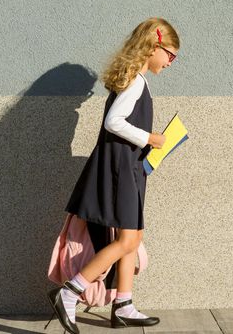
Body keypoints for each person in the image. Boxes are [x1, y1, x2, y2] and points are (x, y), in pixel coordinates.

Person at [47, 17, 180, 334]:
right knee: (127, 239)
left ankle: (123, 304)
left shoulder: (139, 81)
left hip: (128, 168)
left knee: (133, 238)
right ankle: (70, 291)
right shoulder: (135, 81)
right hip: (120, 169)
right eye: (171, 55)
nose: (171, 63)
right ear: (153, 46)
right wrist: (151, 138)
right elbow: (113, 122)